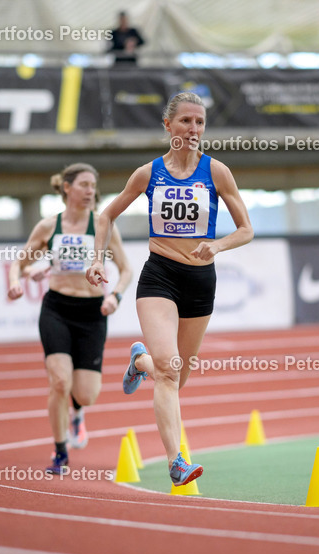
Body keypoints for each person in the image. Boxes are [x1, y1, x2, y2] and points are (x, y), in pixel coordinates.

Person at [86, 91, 254, 487]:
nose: (193, 129)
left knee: (177, 377)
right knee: (169, 370)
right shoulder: (147, 174)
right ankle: (175, 461)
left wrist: (217, 244)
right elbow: (105, 215)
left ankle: (138, 361)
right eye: (185, 121)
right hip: (159, 275)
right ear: (168, 126)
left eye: (199, 123)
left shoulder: (217, 172)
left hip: (200, 281)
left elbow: (246, 229)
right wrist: (97, 259)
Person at [9, 163, 133, 474]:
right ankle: (60, 452)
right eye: (84, 185)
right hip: (57, 310)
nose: (91, 191)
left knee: (86, 394)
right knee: (60, 381)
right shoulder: (49, 226)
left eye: (94, 185)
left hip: (93, 313)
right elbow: (19, 263)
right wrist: (21, 277)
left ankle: (78, 413)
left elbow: (127, 269)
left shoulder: (104, 226)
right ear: (67, 188)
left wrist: (114, 295)